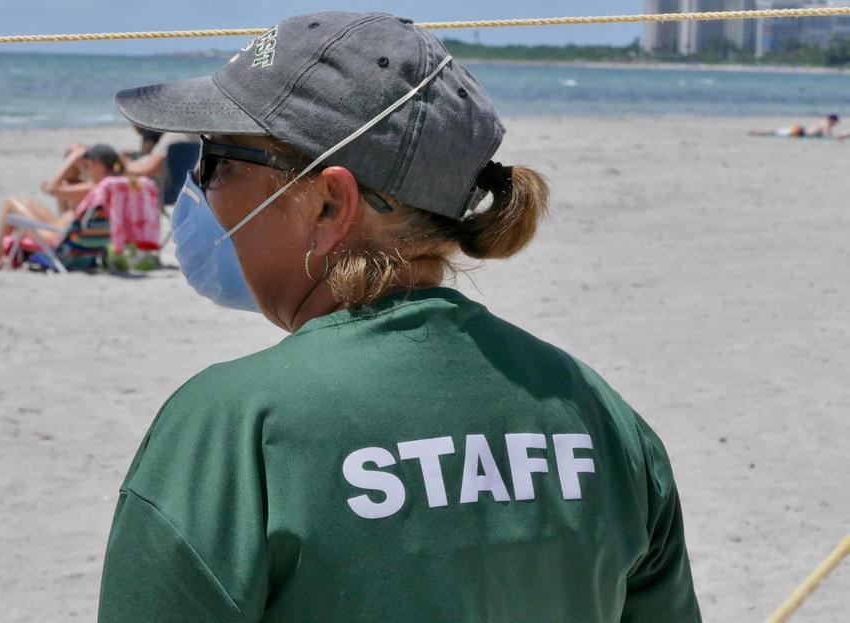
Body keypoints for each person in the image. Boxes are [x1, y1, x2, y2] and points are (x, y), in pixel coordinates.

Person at [98, 12, 701, 623]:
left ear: (328, 202)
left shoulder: (230, 428)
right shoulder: (599, 414)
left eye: (217, 161)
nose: (196, 189)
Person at [0, 144, 121, 269]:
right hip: (75, 237)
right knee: (27, 203)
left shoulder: (93, 188)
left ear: (99, 165)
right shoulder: (114, 185)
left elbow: (51, 189)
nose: (86, 168)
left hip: (60, 240)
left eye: (88, 165)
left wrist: (69, 161)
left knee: (11, 203)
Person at [123, 131, 200, 205]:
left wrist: (124, 165)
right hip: (180, 190)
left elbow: (149, 170)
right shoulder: (197, 137)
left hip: (162, 191)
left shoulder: (173, 136)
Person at [749, 114, 848, 140]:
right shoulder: (825, 125)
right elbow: (828, 136)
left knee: (775, 131)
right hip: (800, 132)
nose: (836, 124)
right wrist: (841, 137)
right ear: (832, 120)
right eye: (836, 122)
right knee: (775, 132)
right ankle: (757, 132)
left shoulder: (823, 123)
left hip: (800, 130)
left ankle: (757, 132)